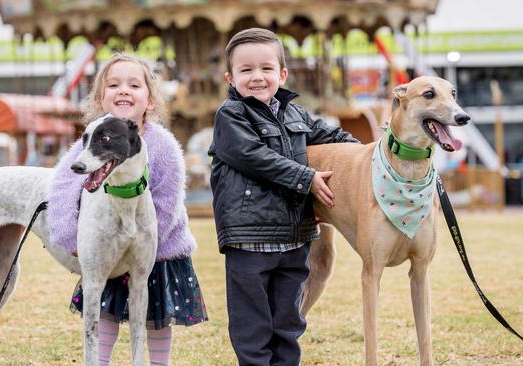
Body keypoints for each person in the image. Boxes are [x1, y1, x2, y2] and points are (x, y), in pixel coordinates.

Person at [208, 28, 359, 365]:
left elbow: (331, 135)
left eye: (266, 68)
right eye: (246, 71)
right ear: (231, 78)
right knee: (253, 324)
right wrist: (305, 178)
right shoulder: (230, 116)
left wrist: (364, 155)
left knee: (288, 322)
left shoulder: (295, 114)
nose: (257, 77)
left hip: (294, 238)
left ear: (282, 74)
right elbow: (254, 156)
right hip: (250, 238)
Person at [48, 52, 208, 366]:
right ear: (99, 98)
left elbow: (169, 200)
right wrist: (69, 235)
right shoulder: (91, 140)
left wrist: (146, 241)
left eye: (134, 84)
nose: (124, 90)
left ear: (150, 99)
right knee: (107, 308)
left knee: (157, 315)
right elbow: (63, 187)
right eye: (114, 84)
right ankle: (101, 360)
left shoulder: (162, 144)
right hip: (109, 245)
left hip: (157, 248)